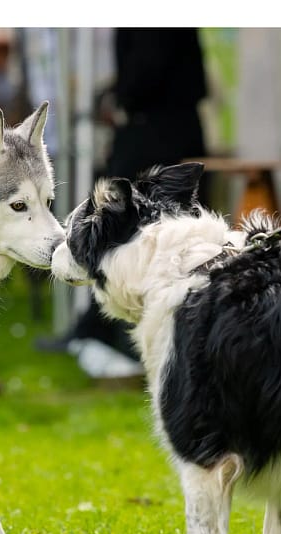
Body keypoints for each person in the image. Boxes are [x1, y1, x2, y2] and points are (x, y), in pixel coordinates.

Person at [49, 28, 211, 380]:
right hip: (166, 127)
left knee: (125, 232)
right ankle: (99, 331)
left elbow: (146, 70)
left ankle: (102, 333)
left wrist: (120, 99)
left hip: (155, 131)